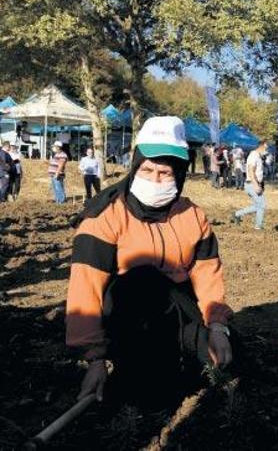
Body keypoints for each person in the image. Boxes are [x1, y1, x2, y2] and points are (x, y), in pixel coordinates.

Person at [66, 116, 233, 405]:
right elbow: (86, 288)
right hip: (129, 320)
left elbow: (208, 278)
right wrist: (95, 358)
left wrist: (218, 327)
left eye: (165, 173)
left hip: (180, 314)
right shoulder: (104, 217)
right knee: (144, 278)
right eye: (147, 170)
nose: (155, 180)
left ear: (179, 174)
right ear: (134, 167)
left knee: (230, 360)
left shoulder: (193, 216)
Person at [231, 140, 268, 230]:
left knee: (257, 206)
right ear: (262, 146)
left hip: (253, 183)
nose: (267, 149)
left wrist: (261, 184)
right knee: (262, 205)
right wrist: (255, 185)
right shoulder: (254, 155)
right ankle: (258, 226)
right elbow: (251, 171)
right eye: (266, 146)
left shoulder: (258, 156)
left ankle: (237, 214)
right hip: (251, 184)